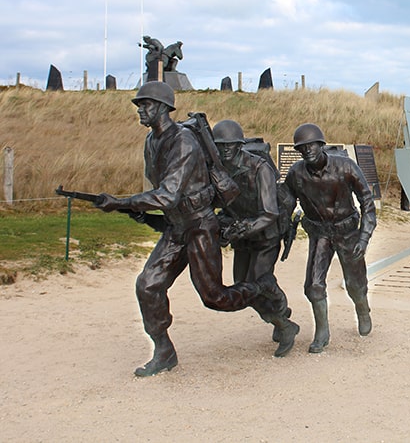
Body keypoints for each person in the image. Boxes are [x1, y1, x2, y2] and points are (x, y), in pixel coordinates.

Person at [95, 81, 267, 376]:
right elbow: (162, 192)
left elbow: (166, 194)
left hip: (200, 225)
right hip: (176, 226)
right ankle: (164, 351)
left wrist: (123, 202)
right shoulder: (152, 141)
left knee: (215, 297)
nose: (140, 110)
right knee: (148, 285)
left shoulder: (183, 141)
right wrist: (133, 208)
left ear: (162, 108)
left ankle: (265, 295)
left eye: (145, 104)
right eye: (138, 105)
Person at [283, 123, 377, 353]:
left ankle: (362, 309)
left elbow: (367, 202)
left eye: (311, 146)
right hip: (320, 234)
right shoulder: (296, 173)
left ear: (321, 145)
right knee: (313, 285)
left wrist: (363, 238)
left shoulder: (345, 167)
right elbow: (284, 201)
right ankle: (322, 331)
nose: (307, 151)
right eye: (302, 148)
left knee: (355, 284)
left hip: (348, 232)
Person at [212, 119, 299, 358]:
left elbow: (270, 212)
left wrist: (243, 228)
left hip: (266, 234)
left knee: (254, 285)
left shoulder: (259, 168)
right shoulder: (218, 170)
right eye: (220, 145)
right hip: (243, 236)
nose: (225, 150)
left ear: (239, 145)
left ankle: (284, 323)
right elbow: (219, 204)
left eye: (230, 145)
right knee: (242, 286)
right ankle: (279, 310)